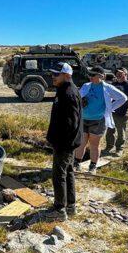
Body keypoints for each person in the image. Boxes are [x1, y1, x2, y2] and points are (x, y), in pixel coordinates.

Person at [46, 63, 83, 221]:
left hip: (64, 143)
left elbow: (71, 123)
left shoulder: (68, 93)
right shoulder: (64, 90)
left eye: (57, 74)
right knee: (68, 172)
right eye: (52, 74)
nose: (53, 77)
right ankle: (70, 206)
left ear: (67, 75)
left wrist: (61, 143)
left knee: (58, 175)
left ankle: (60, 209)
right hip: (65, 142)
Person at [74, 66, 127, 174]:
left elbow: (123, 98)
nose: (90, 77)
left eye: (93, 75)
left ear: (101, 76)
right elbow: (77, 97)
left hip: (98, 120)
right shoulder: (86, 86)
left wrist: (110, 108)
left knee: (94, 144)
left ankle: (92, 167)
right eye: (90, 74)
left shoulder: (108, 88)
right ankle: (76, 164)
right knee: (81, 143)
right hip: (83, 118)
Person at [103, 68, 128, 157]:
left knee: (120, 131)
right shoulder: (113, 85)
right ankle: (108, 147)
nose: (118, 75)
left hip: (122, 113)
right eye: (117, 74)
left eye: (120, 73)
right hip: (111, 112)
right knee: (110, 131)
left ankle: (119, 149)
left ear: (125, 74)